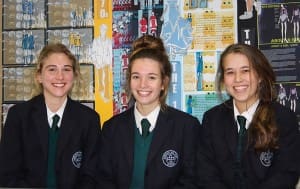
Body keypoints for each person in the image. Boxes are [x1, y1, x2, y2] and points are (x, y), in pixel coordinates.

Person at [98, 35, 200, 188]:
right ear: (129, 81)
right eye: (136, 77)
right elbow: (103, 180)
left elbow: (191, 181)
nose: (142, 85)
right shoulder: (111, 128)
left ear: (163, 83)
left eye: (151, 77)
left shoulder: (186, 127)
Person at [197, 43, 300, 188]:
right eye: (230, 72)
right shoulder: (212, 119)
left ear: (260, 76)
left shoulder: (283, 118)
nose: (238, 79)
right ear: (223, 80)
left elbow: (285, 175)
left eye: (245, 70)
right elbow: (206, 175)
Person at [0, 43, 101, 188]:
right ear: (39, 76)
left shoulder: (89, 120)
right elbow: (8, 175)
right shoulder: (19, 116)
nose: (60, 76)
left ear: (74, 76)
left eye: (66, 69)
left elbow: (91, 177)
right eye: (52, 69)